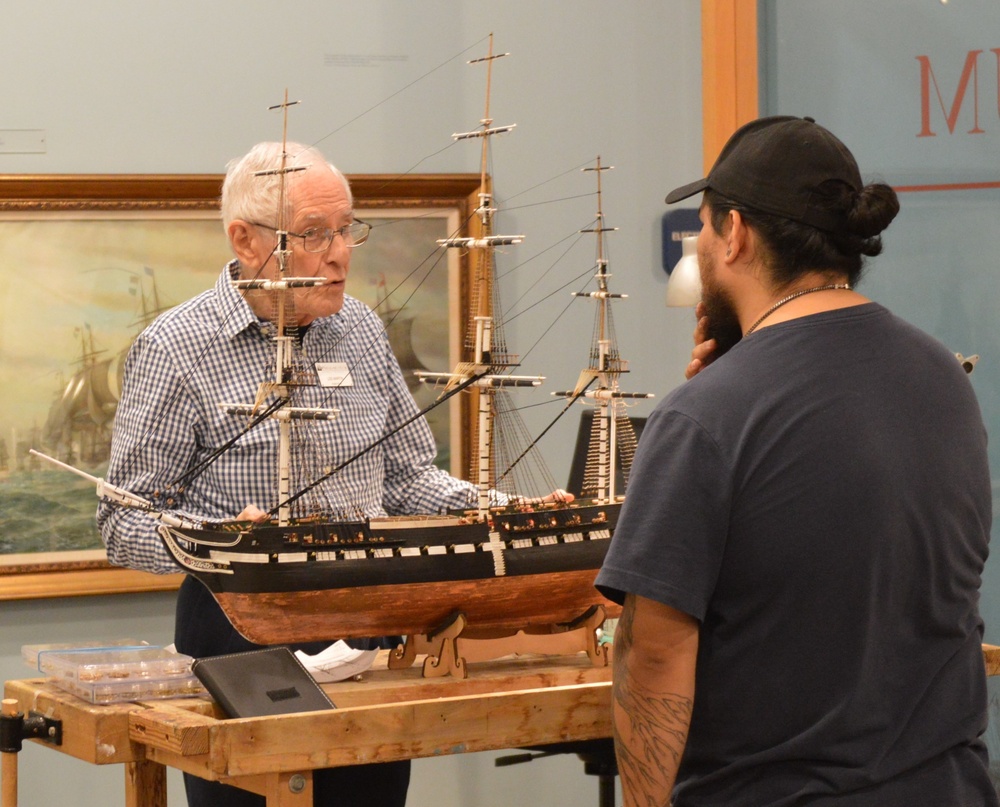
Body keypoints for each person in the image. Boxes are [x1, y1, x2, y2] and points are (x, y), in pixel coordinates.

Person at [97, 141, 568, 807]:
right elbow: (122, 520)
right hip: (238, 635)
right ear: (244, 238)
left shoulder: (362, 331)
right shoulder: (176, 348)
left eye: (348, 229)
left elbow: (406, 478)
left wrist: (502, 511)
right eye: (316, 234)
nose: (342, 251)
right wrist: (216, 536)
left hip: (364, 628)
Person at [595, 116, 997, 806]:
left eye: (703, 229)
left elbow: (655, 653)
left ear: (736, 234)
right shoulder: (943, 375)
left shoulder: (703, 418)